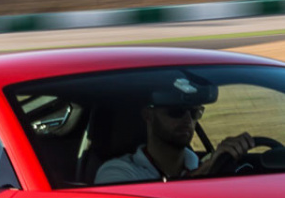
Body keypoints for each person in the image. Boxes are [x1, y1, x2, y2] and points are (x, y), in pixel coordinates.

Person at [95, 77, 255, 184]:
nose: (188, 121)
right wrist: (208, 168)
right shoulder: (117, 171)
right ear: (148, 116)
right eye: (176, 112)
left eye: (194, 113)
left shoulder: (196, 164)